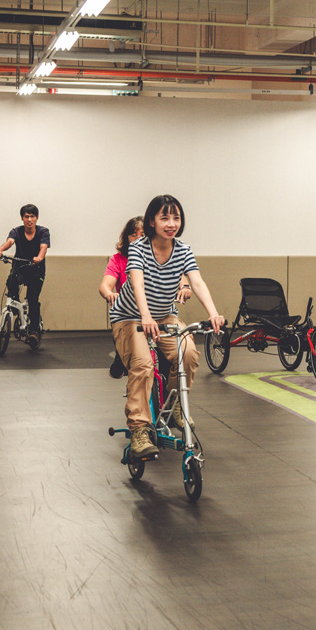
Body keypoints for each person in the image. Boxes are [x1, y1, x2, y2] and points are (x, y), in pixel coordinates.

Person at [109, 195, 224, 459]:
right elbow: (136, 283)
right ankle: (139, 429)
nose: (171, 223)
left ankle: (173, 410)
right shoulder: (139, 248)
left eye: (176, 218)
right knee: (143, 365)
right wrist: (145, 316)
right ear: (152, 221)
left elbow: (196, 282)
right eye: (164, 218)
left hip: (165, 317)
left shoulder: (183, 250)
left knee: (188, 354)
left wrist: (214, 313)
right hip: (130, 317)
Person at [99, 215, 191, 378]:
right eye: (133, 234)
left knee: (169, 360)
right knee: (137, 362)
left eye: (142, 234)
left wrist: (184, 286)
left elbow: (178, 274)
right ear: (126, 238)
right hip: (130, 313)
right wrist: (110, 294)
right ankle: (121, 357)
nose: (138, 238)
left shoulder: (159, 254)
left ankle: (169, 398)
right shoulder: (119, 259)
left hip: (158, 313)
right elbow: (105, 284)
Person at [0, 204, 50, 346]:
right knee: (11, 283)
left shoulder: (43, 231)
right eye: (26, 216)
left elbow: (43, 247)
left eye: (32, 216)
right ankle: (16, 308)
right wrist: (0, 250)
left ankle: (34, 331)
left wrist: (39, 257)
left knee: (32, 299)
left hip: (36, 270)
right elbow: (10, 242)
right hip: (20, 268)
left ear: (36, 218)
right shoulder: (16, 231)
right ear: (22, 218)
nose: (29, 219)